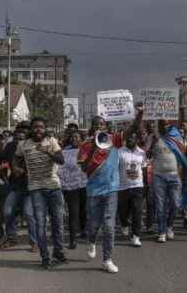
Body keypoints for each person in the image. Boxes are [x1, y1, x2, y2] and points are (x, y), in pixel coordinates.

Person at [78, 106, 143, 274]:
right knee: (93, 224)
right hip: (93, 191)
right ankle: (91, 240)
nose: (99, 127)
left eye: (102, 124)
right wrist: (94, 148)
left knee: (108, 226)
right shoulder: (85, 145)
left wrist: (140, 114)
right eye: (96, 124)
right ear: (92, 127)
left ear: (105, 127)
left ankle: (107, 259)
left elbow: (133, 129)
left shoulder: (114, 139)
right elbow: (84, 168)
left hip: (112, 189)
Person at [13, 117, 67, 269]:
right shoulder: (23, 144)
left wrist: (48, 152)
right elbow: (15, 157)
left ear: (45, 129)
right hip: (36, 190)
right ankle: (45, 256)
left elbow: (61, 160)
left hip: (54, 187)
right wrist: (15, 167)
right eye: (35, 127)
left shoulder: (51, 141)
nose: (38, 130)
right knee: (40, 225)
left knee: (58, 223)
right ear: (31, 129)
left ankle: (58, 251)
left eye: (41, 127)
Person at [0, 122, 37, 252]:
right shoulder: (10, 146)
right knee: (7, 212)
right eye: (17, 135)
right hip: (15, 186)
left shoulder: (35, 147)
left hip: (31, 187)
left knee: (29, 214)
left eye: (23, 135)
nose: (19, 138)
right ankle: (11, 238)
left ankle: (34, 241)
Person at [146, 119, 187, 244]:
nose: (164, 127)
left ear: (170, 125)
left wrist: (182, 174)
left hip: (174, 176)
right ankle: (162, 232)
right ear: (158, 126)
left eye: (167, 124)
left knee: (176, 203)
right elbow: (147, 155)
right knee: (160, 206)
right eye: (162, 124)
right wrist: (153, 142)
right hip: (158, 176)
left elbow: (182, 155)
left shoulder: (176, 137)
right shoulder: (152, 137)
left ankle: (170, 226)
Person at [58, 131, 87, 250]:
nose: (74, 139)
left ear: (81, 139)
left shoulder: (86, 150)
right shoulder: (64, 152)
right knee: (73, 213)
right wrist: (63, 186)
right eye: (73, 137)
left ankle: (84, 230)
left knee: (83, 210)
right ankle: (72, 239)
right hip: (70, 187)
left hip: (85, 185)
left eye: (77, 137)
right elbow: (59, 169)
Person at [118, 133, 147, 247]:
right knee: (123, 211)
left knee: (137, 212)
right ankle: (124, 223)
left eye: (133, 138)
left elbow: (144, 169)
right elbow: (115, 169)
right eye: (128, 138)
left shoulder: (142, 153)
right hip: (123, 187)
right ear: (125, 139)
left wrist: (146, 186)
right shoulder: (119, 152)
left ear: (136, 139)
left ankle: (136, 236)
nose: (130, 139)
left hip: (138, 186)